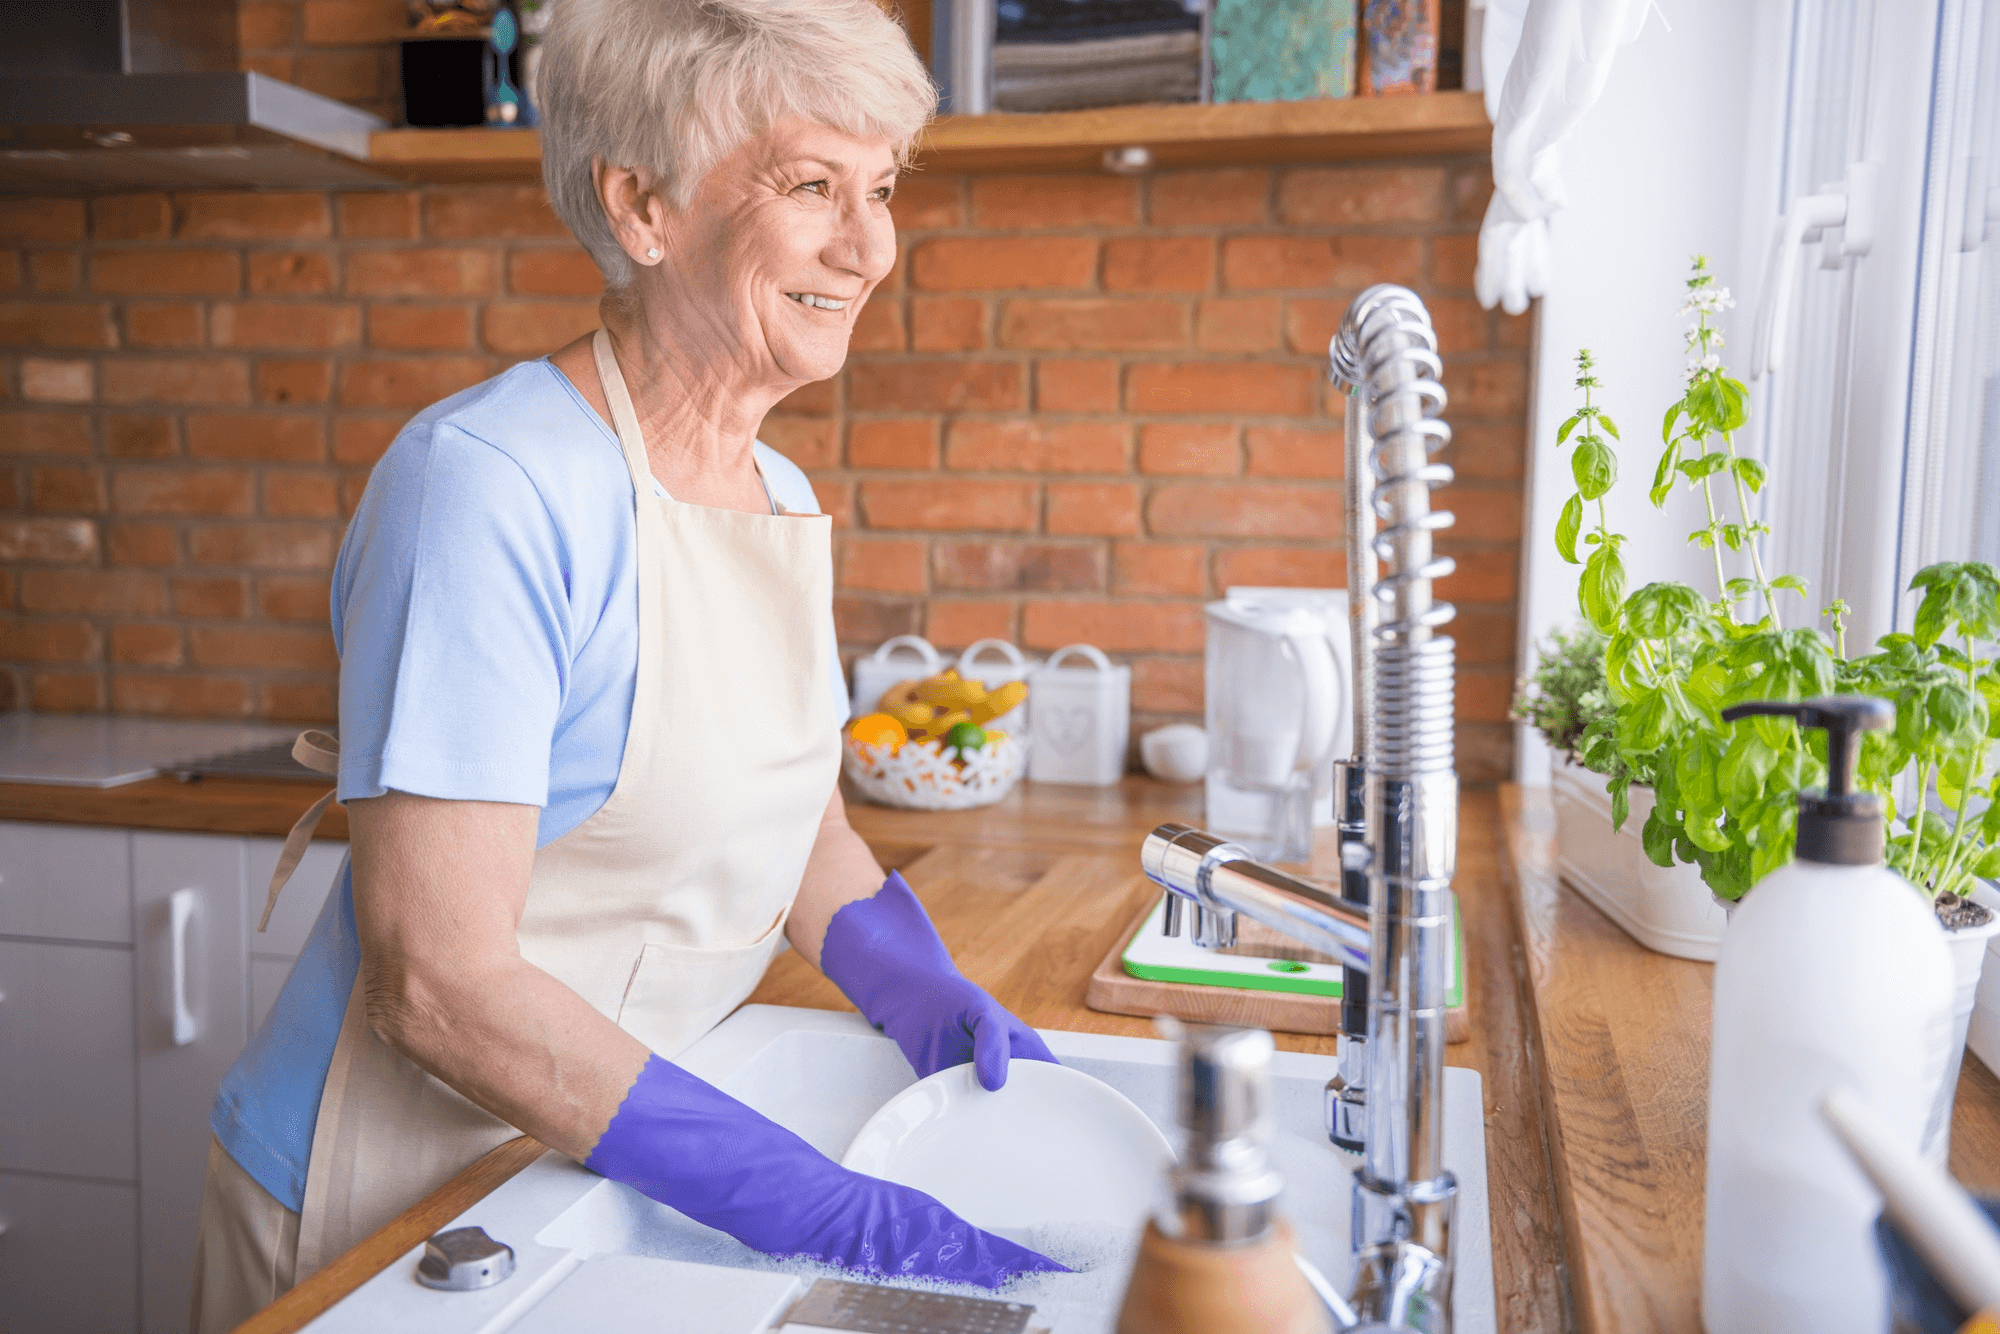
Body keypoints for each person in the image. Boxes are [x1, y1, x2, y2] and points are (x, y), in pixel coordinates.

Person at [187, 3, 1065, 1328]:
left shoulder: (768, 487)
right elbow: (438, 978)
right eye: (813, 185)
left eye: (883, 187)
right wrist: (801, 1197)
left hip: (597, 1157)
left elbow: (798, 827)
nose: (869, 243)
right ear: (642, 205)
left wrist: (920, 987)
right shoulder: (488, 489)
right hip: (393, 1202)